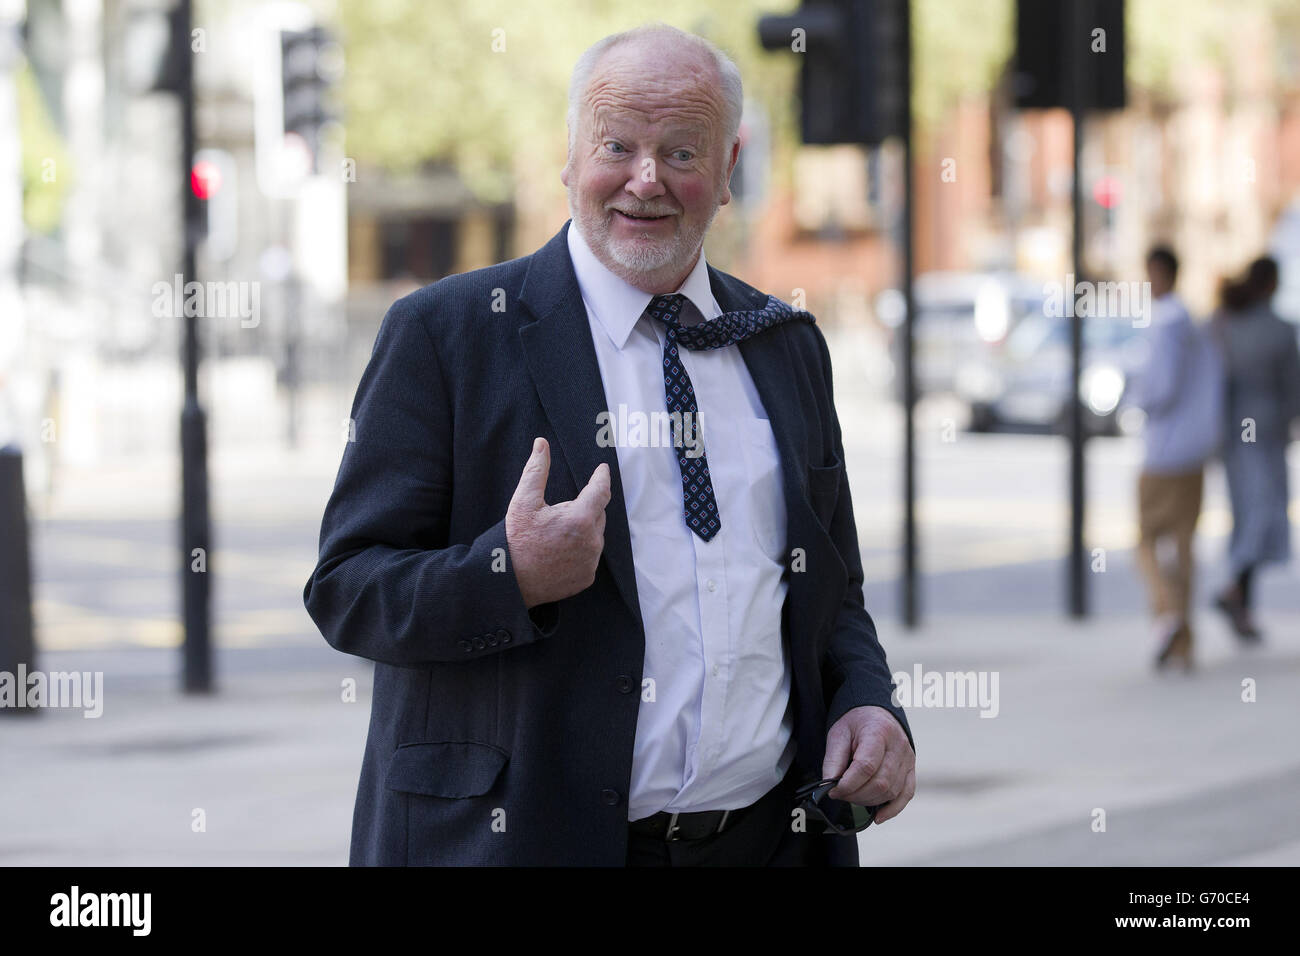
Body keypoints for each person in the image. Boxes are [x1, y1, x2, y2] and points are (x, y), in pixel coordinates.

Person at [303, 24, 915, 867]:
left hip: (766, 846)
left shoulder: (784, 344)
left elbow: (833, 591)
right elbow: (346, 589)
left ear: (729, 168)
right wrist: (507, 575)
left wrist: (871, 703)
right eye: (617, 145)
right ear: (568, 156)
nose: (646, 179)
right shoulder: (447, 335)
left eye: (681, 152)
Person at [1131, 245, 1224, 671]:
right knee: (1183, 546)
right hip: (1194, 451)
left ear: (1158, 272)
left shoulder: (1166, 324)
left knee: (1147, 542)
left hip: (1164, 449)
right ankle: (1184, 641)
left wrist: (1139, 399)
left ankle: (1167, 614)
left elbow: (1158, 388)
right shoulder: (1194, 323)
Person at [1212, 256, 1300, 641]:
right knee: (1261, 514)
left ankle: (1241, 604)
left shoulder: (1227, 324)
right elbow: (1294, 391)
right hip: (1262, 432)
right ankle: (1236, 592)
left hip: (1235, 432)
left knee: (1249, 515)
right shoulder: (1277, 331)